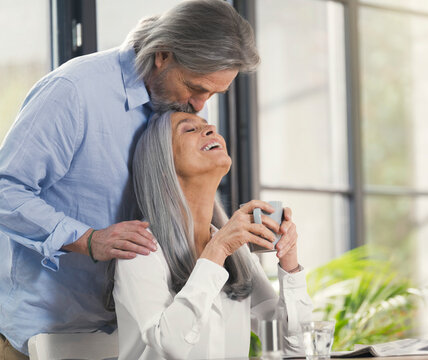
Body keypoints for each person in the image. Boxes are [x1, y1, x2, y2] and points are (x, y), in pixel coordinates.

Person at [0, 1, 260, 357]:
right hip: (45, 334)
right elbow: (5, 190)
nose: (200, 106)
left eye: (213, 94)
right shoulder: (75, 92)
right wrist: (86, 238)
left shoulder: (184, 101)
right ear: (162, 55)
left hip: (135, 335)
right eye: (196, 87)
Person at [113, 111, 313, 359]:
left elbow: (294, 345)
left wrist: (289, 263)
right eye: (189, 129)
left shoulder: (236, 252)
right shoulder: (140, 249)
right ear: (162, 166)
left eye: (207, 126)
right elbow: (170, 346)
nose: (211, 129)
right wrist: (217, 250)